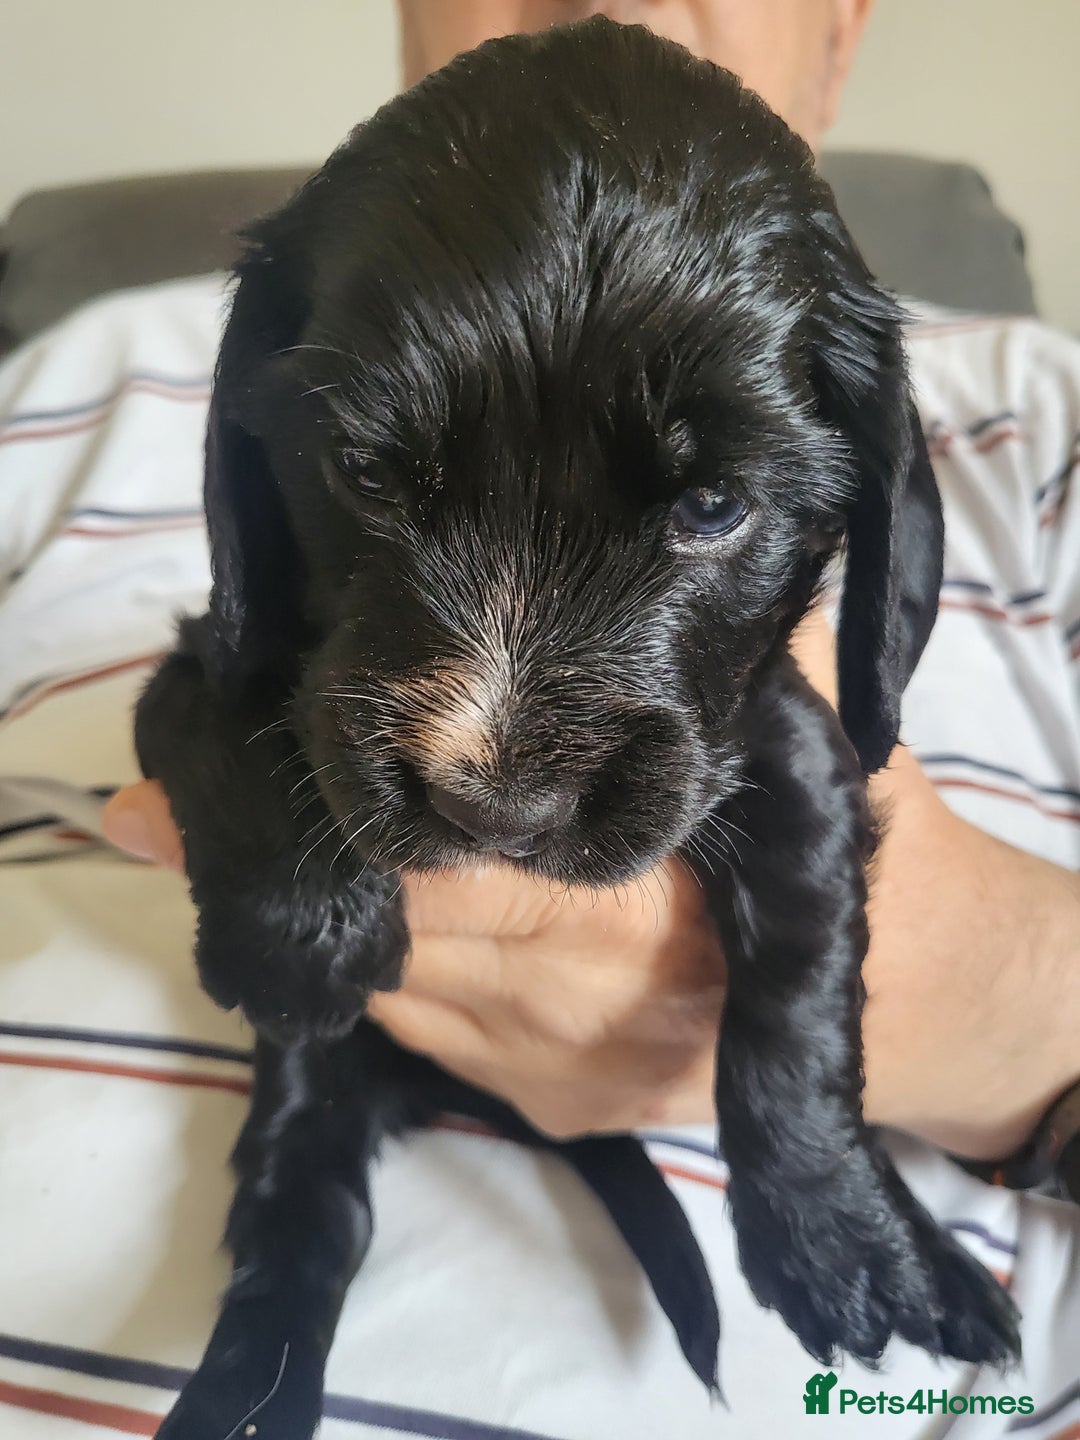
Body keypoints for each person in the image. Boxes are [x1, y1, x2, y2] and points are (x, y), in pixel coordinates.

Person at [55, 0, 1080, 1431]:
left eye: (710, 504)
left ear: (842, 34)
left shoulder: (1042, 418)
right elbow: (218, 671)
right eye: (369, 468)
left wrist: (992, 1025)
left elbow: (815, 777)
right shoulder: (85, 373)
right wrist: (258, 836)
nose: (487, 758)